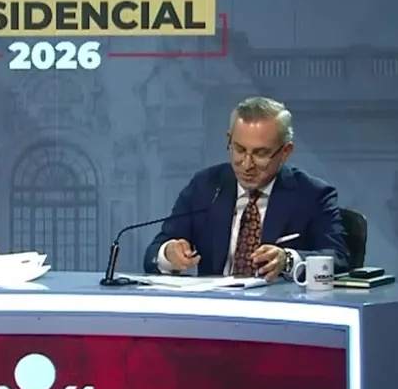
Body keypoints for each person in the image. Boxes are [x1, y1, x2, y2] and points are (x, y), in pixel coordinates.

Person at [143, 97, 349, 280]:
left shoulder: (313, 195)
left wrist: (288, 260)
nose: (246, 164)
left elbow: (339, 260)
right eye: (239, 150)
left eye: (260, 154)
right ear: (229, 140)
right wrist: (168, 253)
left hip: (280, 307)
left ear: (285, 152)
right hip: (216, 305)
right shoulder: (206, 186)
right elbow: (153, 253)